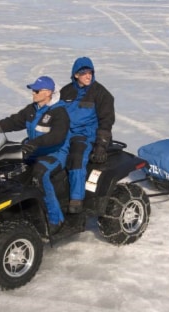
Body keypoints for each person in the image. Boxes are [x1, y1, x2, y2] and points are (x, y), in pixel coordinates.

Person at [0, 76, 69, 235]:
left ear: (48, 93)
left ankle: (55, 219)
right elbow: (14, 121)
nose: (33, 93)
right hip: (33, 150)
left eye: (36, 90)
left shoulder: (59, 112)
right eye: (33, 90)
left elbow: (57, 136)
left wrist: (35, 143)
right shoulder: (32, 109)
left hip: (55, 153)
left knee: (40, 175)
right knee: (7, 169)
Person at [60, 56, 115, 213]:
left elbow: (106, 122)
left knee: (77, 157)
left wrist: (101, 146)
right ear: (76, 75)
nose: (88, 76)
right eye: (84, 73)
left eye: (90, 72)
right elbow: (56, 113)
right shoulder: (66, 92)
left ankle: (76, 199)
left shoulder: (101, 94)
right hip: (65, 134)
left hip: (85, 136)